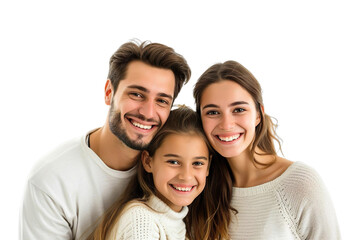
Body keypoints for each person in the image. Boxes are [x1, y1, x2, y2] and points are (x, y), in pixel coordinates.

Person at [19, 40, 191, 240]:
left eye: (162, 101)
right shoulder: (52, 180)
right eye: (136, 94)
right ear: (109, 92)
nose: (148, 112)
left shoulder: (175, 169)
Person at [194, 60, 341, 239]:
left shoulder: (299, 184)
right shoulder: (199, 187)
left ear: (258, 114)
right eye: (212, 112)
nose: (226, 124)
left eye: (239, 109)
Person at [86, 106, 230, 240]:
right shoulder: (142, 222)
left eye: (197, 163)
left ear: (208, 167)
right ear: (148, 162)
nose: (186, 176)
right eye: (173, 162)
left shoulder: (180, 223)